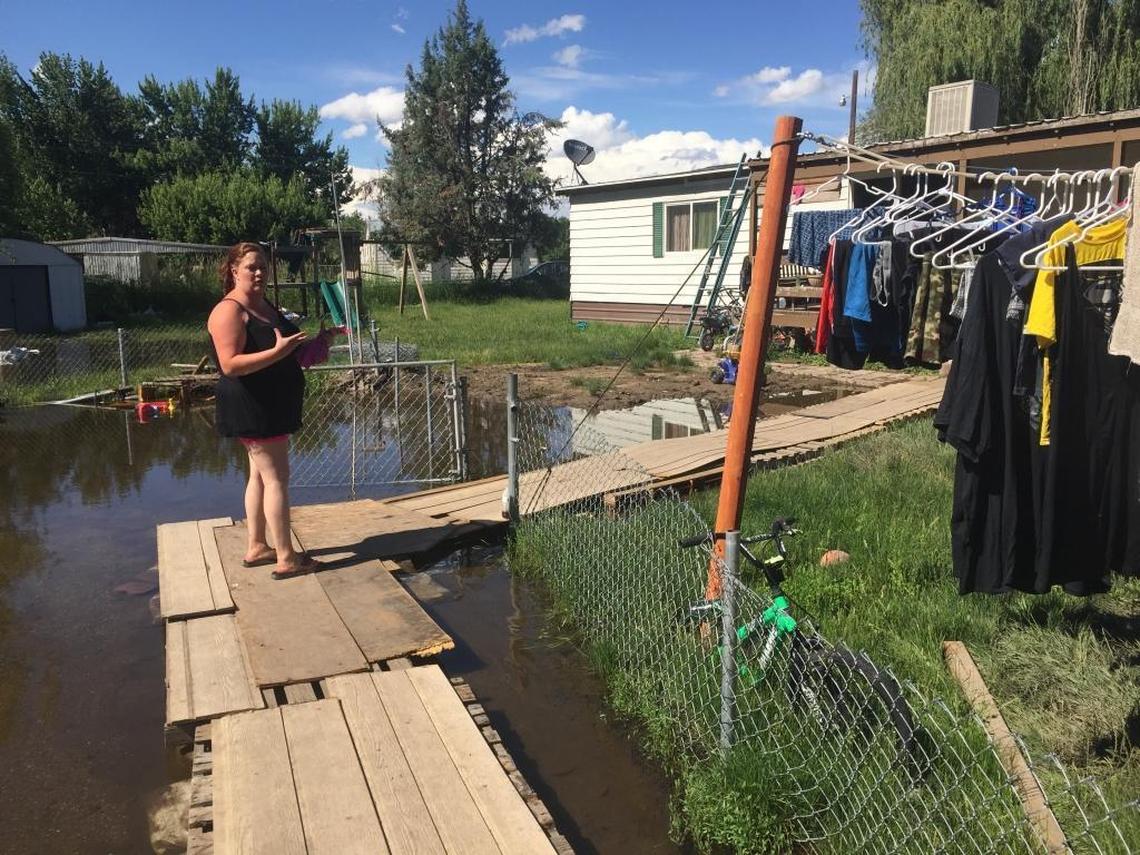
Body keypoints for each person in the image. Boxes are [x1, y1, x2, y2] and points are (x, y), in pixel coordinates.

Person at [207, 241, 336, 578]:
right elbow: (230, 364)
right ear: (235, 270)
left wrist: (322, 342)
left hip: (272, 403)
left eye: (263, 265)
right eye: (252, 266)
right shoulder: (228, 311)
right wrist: (279, 352)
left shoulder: (266, 306)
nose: (260, 272)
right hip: (253, 406)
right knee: (277, 478)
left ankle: (257, 546)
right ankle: (286, 557)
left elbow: (290, 352)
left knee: (260, 477)